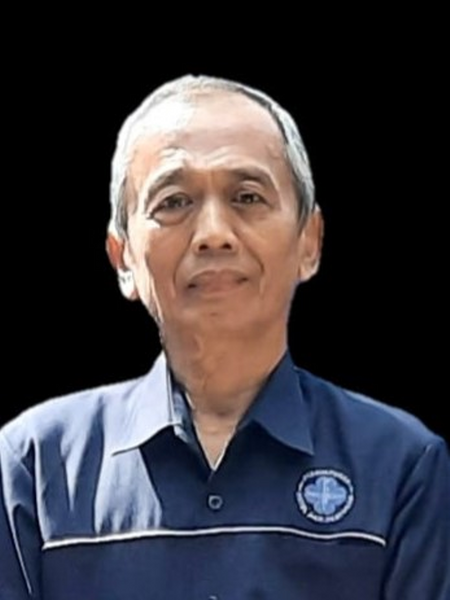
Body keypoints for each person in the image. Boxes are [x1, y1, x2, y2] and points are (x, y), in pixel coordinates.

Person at [0, 75, 448, 600]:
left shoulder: (400, 465)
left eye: (247, 196)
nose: (214, 233)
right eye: (174, 202)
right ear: (123, 258)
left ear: (309, 242)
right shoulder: (38, 465)